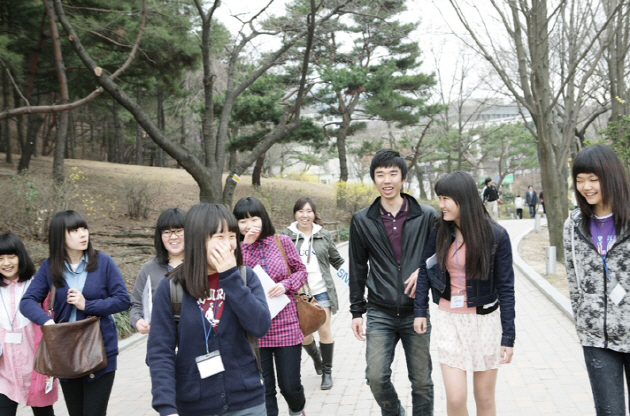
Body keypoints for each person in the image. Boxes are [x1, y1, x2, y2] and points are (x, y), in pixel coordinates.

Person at [148, 203, 271, 416]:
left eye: (232, 236)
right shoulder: (172, 289)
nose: (230, 244)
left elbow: (260, 326)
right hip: (195, 405)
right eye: (220, 237)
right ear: (198, 239)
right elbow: (160, 352)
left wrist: (230, 277)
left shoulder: (244, 277)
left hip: (247, 402)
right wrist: (166, 407)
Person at [414, 171, 515, 416]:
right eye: (439, 198)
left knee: (484, 398)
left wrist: (508, 338)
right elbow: (424, 269)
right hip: (449, 320)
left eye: (446, 198)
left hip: (485, 322)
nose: (441, 205)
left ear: (464, 199)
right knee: (456, 398)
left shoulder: (496, 235)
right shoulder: (439, 229)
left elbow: (506, 288)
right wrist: (420, 311)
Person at [349, 149, 437, 416]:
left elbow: (441, 255)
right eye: (380, 174)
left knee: (422, 382)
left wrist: (424, 271)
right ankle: (394, 411)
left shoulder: (426, 215)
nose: (387, 180)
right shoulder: (362, 219)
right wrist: (356, 311)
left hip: (416, 311)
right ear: (374, 180)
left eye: (393, 174)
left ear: (403, 178)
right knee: (375, 377)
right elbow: (356, 266)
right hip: (379, 311)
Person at [20, 210, 130, 416]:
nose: (83, 234)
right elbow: (27, 302)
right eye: (75, 230)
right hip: (65, 351)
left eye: (84, 229)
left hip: (100, 350)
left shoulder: (103, 262)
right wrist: (47, 322)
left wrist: (87, 305)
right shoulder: (49, 267)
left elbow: (123, 300)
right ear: (59, 236)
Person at [563, 144, 630, 416]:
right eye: (580, 180)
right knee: (608, 411)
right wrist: (582, 314)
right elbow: (572, 277)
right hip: (595, 338)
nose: (586, 186)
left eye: (593, 178)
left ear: (610, 176)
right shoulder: (574, 224)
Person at [234, 197, 308, 416]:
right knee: (264, 389)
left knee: (290, 386)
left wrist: (286, 285)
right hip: (254, 330)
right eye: (243, 221)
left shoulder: (281, 241)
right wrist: (244, 246)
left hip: (286, 324)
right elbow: (231, 278)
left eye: (253, 218)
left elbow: (301, 271)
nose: (249, 225)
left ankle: (297, 410)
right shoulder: (235, 249)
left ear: (262, 218)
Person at [278, 197, 345, 390]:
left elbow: (338, 261)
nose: (304, 215)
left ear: (314, 214)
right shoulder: (285, 236)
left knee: (324, 330)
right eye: (300, 211)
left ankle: (327, 371)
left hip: (321, 290)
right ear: (295, 214)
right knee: (304, 334)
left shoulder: (323, 235)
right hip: (298, 294)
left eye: (308, 211)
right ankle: (316, 357)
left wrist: (355, 279)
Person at [0, 233, 58, 416]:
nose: (6, 263)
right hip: (5, 369)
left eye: (11, 256)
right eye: (0, 258)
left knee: (44, 412)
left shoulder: (37, 284)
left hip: (36, 364)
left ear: (21, 256)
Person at [129, 208, 186, 334]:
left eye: (179, 231)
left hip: (196, 343)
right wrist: (138, 321)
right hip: (161, 342)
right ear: (160, 236)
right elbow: (136, 305)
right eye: (167, 232)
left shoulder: (200, 266)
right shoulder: (148, 269)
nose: (173, 237)